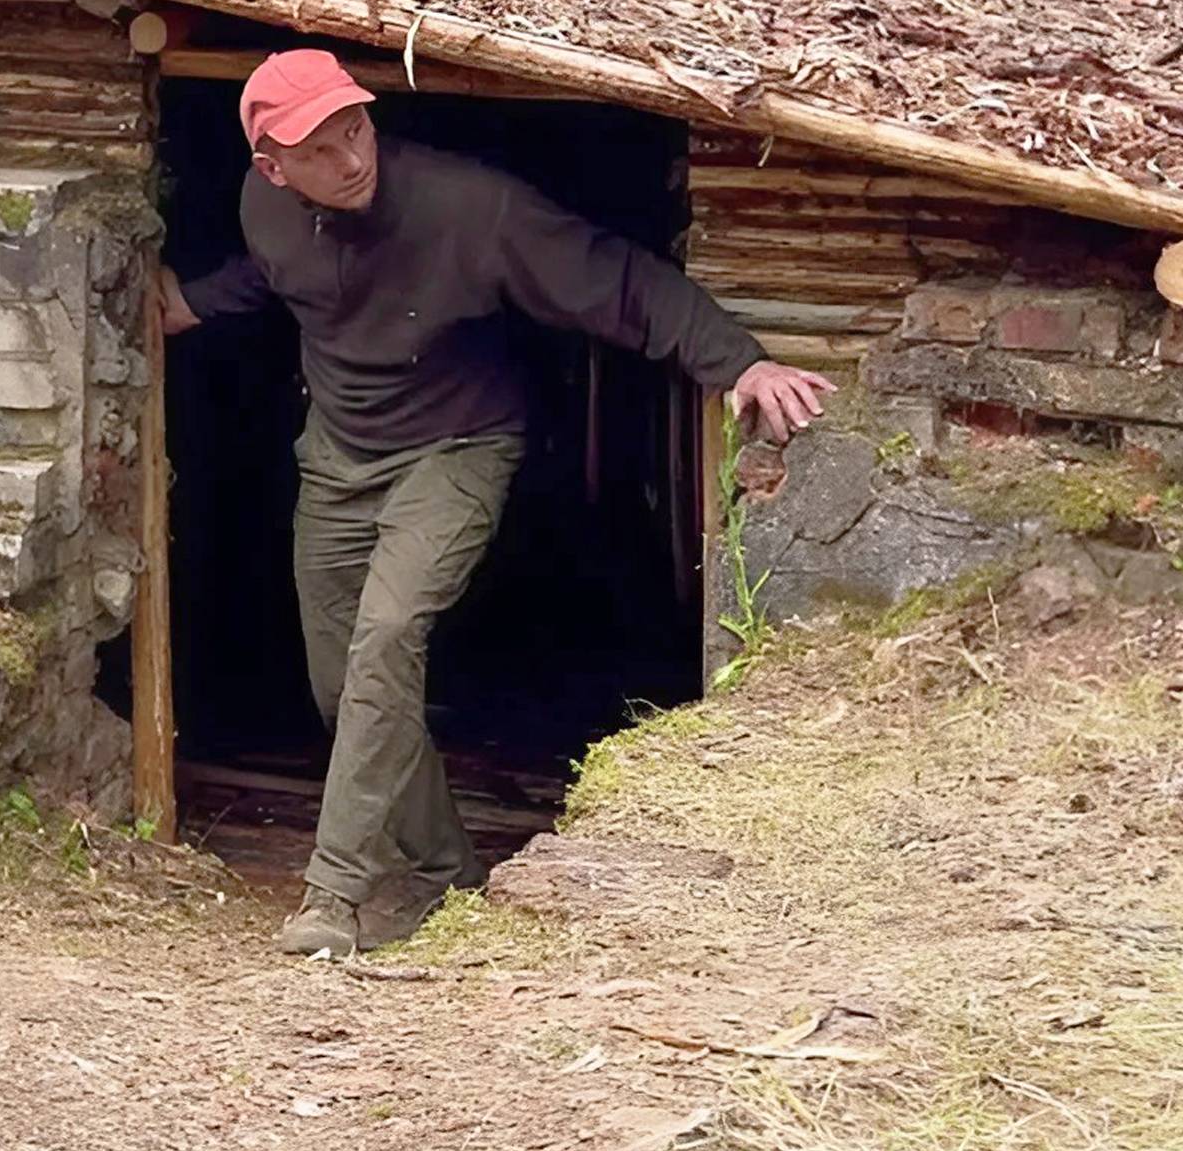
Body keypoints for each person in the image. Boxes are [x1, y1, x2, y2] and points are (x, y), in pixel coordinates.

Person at [158, 49, 834, 957]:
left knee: (387, 641)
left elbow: (619, 282)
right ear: (273, 167)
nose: (351, 158)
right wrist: (193, 304)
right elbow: (284, 275)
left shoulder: (473, 211)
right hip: (338, 461)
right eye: (320, 149)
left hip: (456, 450)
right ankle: (445, 869)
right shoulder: (266, 204)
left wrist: (739, 360)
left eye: (355, 129)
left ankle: (336, 894)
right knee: (343, 688)